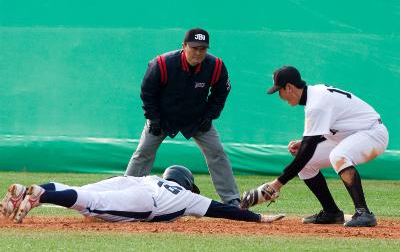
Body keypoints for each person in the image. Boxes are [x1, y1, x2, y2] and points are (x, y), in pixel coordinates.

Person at [240, 66, 389, 227]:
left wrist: (276, 185)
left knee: (336, 156)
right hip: (350, 135)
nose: (280, 96)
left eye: (279, 91)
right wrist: (305, 142)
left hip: (372, 134)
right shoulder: (315, 94)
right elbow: (319, 137)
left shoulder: (316, 103)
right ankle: (331, 212)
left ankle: (364, 213)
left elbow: (308, 150)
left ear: (289, 87)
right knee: (306, 164)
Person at [125, 28, 240, 206]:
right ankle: (125, 195)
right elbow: (148, 93)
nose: (198, 53)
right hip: (163, 117)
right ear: (184, 46)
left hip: (197, 117)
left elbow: (221, 92)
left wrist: (209, 116)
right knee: (143, 153)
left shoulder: (216, 66)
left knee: (217, 153)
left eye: (203, 49)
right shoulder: (162, 64)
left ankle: (232, 200)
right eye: (194, 48)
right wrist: (153, 119)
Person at [0, 165, 284, 224]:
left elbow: (118, 179)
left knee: (83, 192)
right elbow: (225, 210)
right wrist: (259, 217)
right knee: (92, 204)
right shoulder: (188, 198)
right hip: (147, 202)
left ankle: (33, 190)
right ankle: (40, 196)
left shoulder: (152, 176)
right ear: (185, 183)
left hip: (132, 183)